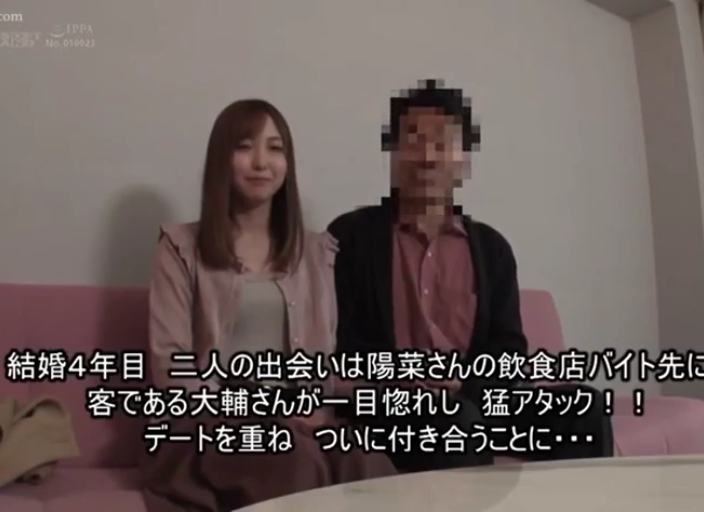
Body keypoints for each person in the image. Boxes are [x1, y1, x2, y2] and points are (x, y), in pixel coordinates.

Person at [327, 79, 614, 473]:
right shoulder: (351, 237)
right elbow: (339, 337)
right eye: (413, 139)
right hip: (393, 405)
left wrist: (465, 383)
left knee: (586, 407)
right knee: (455, 420)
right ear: (392, 151)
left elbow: (508, 348)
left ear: (463, 159)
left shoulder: (492, 249)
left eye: (442, 143)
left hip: (474, 395)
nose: (427, 156)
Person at [141, 99, 396, 512]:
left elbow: (323, 367)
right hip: (209, 422)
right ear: (221, 159)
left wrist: (389, 384)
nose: (262, 162)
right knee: (293, 457)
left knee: (367, 462)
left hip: (297, 420)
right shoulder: (180, 247)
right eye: (245, 147)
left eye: (275, 148)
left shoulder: (317, 252)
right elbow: (172, 369)